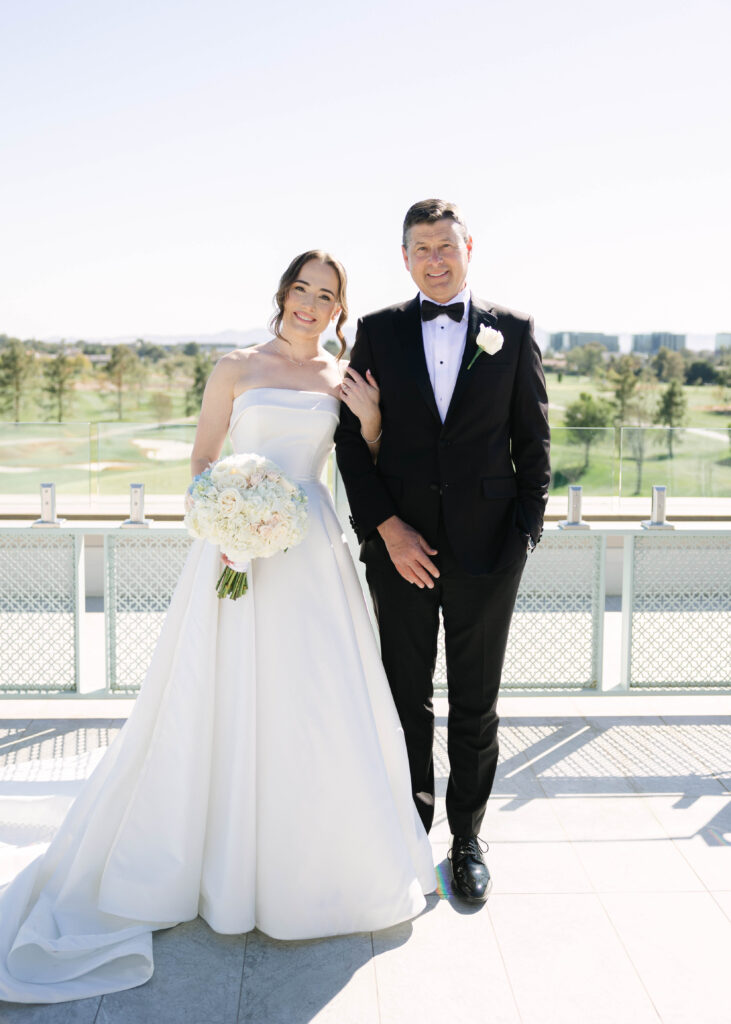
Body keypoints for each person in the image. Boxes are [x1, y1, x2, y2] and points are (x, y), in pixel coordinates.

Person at [0, 250, 435, 1005]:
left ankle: (310, 865)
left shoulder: (343, 378)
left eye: (325, 295)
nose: (310, 303)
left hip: (313, 559)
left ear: (339, 308)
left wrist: (366, 425)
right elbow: (203, 462)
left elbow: (363, 467)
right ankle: (213, 862)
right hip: (236, 552)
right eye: (301, 289)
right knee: (221, 696)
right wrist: (228, 515)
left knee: (316, 704)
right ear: (283, 294)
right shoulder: (235, 367)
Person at [335, 200, 550, 903]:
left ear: (468, 248)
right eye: (419, 248)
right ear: (403, 258)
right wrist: (385, 529)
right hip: (398, 549)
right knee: (404, 697)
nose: (433, 258)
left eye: (444, 246)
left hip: (490, 552)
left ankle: (466, 841)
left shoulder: (511, 333)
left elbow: (533, 442)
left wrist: (524, 535)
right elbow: (348, 440)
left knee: (475, 702)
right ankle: (407, 830)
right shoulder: (377, 332)